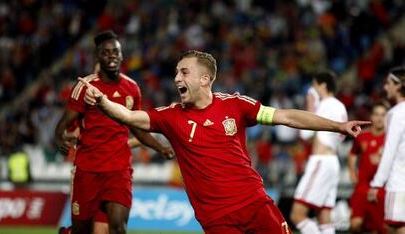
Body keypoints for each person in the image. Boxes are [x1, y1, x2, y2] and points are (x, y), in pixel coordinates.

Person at [79, 50, 370, 234]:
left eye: (184, 71)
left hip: (255, 204)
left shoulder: (236, 105)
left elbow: (287, 117)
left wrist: (338, 126)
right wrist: (102, 101)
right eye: (176, 72)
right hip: (216, 219)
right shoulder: (170, 116)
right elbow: (130, 117)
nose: (176, 77)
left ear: (205, 79)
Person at [55, 31, 173, 234]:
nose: (111, 56)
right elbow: (64, 122)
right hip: (88, 170)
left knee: (118, 228)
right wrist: (59, 138)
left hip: (119, 170)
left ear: (122, 55)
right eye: (105, 52)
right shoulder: (85, 87)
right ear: (97, 57)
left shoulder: (132, 88)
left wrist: (160, 148)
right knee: (82, 231)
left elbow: (137, 127)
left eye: (115, 52)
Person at [290, 71, 348, 234]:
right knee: (324, 216)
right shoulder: (340, 105)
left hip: (320, 161)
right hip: (333, 162)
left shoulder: (324, 105)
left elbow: (305, 133)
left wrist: (310, 105)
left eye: (314, 85)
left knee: (297, 215)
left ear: (322, 85)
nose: (312, 89)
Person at [368, 67, 405, 234]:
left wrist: (376, 184)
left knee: (396, 228)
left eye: (388, 83)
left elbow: (389, 152)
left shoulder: (395, 114)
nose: (385, 87)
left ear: (398, 86)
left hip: (399, 182)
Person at [348, 102, 388, 234]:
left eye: (383, 115)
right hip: (362, 187)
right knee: (355, 224)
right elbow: (353, 153)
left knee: (378, 229)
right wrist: (352, 171)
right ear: (372, 116)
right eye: (376, 114)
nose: (379, 118)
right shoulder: (362, 136)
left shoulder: (391, 138)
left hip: (382, 189)